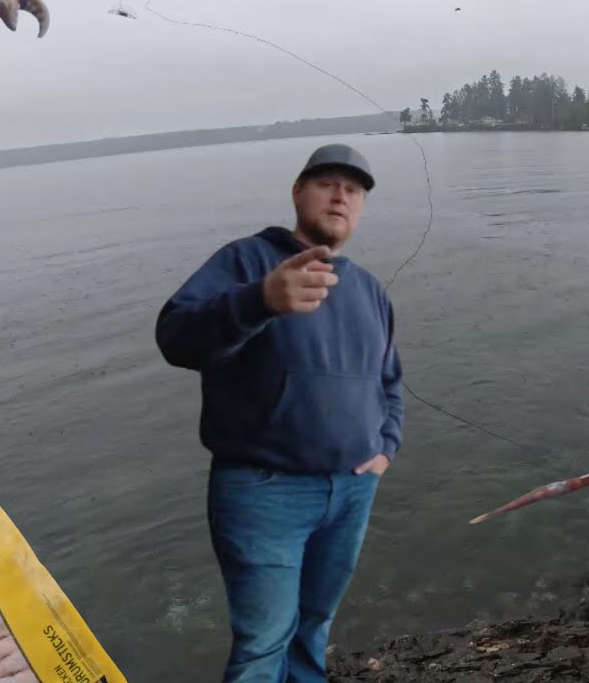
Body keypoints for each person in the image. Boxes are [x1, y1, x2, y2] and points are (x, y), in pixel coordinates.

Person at [154, 143, 404, 682]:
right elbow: (175, 338)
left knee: (314, 624)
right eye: (327, 183)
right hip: (264, 491)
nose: (341, 195)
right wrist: (260, 300)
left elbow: (389, 382)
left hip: (352, 489)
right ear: (298, 192)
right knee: (263, 642)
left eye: (354, 190)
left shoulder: (369, 290)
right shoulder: (245, 262)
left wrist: (386, 447)